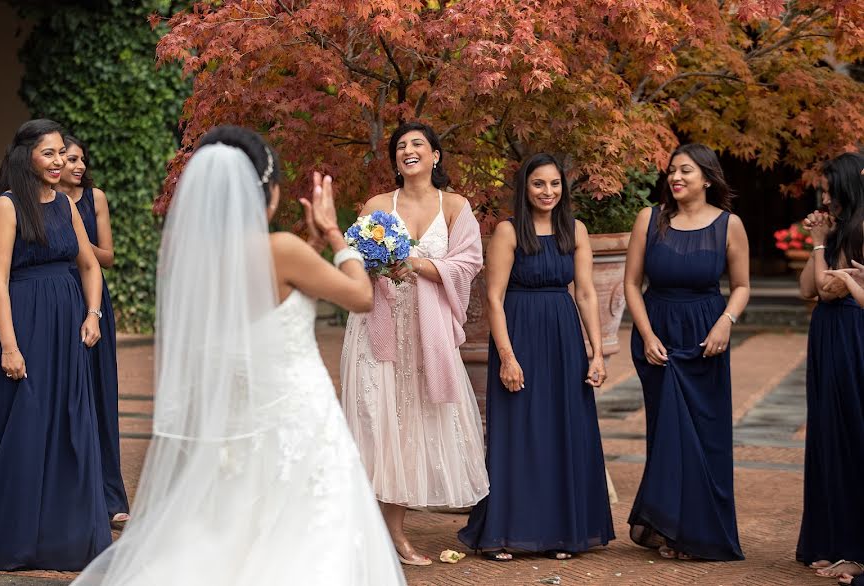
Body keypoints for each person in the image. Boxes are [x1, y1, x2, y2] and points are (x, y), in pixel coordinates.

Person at [70, 125, 406, 585]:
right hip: (299, 421)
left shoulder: (198, 264)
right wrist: (331, 233)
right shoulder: (280, 250)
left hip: (235, 421)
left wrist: (305, 246)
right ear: (266, 193)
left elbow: (261, 296)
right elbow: (359, 295)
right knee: (306, 538)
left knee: (236, 531)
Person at [340, 121, 489, 566]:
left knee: (410, 428)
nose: (409, 150)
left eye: (418, 144)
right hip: (378, 331)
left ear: (435, 156)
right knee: (376, 425)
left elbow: (469, 262)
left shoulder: (456, 206)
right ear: (396, 160)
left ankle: (394, 535)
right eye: (401, 146)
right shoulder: (377, 205)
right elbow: (350, 263)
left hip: (428, 336)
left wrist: (419, 265)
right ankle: (371, 534)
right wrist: (376, 265)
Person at [0, 119, 110, 570]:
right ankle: (11, 533)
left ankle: (64, 534)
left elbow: (90, 265)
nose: (59, 162)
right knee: (21, 426)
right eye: (48, 153)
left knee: (69, 425)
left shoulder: (67, 205)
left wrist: (93, 313)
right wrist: (9, 346)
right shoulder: (5, 207)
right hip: (22, 324)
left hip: (67, 330)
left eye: (61, 154)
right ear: (25, 155)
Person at [457, 153, 614, 561]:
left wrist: (597, 353)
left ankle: (562, 532)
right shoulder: (509, 232)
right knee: (520, 433)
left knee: (564, 430)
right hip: (520, 336)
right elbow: (493, 298)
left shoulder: (574, 230)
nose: (548, 192)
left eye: (555, 184)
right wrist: (507, 358)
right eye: (539, 184)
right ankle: (507, 531)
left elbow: (585, 293)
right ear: (525, 188)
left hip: (564, 339)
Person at [624, 143, 749, 561]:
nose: (675, 178)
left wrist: (725, 323)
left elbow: (743, 286)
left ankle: (700, 530)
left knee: (707, 436)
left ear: (707, 179)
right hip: (657, 335)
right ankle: (668, 527)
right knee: (667, 435)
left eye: (686, 172)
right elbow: (631, 285)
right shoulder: (649, 219)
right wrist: (645, 335)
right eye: (672, 171)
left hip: (706, 338)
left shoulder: (730, 225)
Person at [796, 152, 864, 577]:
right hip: (827, 337)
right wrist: (820, 242)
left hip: (853, 336)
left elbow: (829, 288)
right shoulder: (841, 231)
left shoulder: (859, 230)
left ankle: (856, 549)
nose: (823, 198)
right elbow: (809, 287)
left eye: (828, 189)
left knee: (853, 434)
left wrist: (822, 243)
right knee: (828, 435)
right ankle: (832, 539)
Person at [58, 135, 130, 526]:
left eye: (82, 159)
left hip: (92, 300)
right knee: (64, 397)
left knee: (99, 395)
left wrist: (76, 241)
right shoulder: (39, 199)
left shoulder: (94, 198)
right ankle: (68, 497)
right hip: (53, 301)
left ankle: (109, 495)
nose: (79, 166)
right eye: (71, 159)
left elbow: (108, 257)